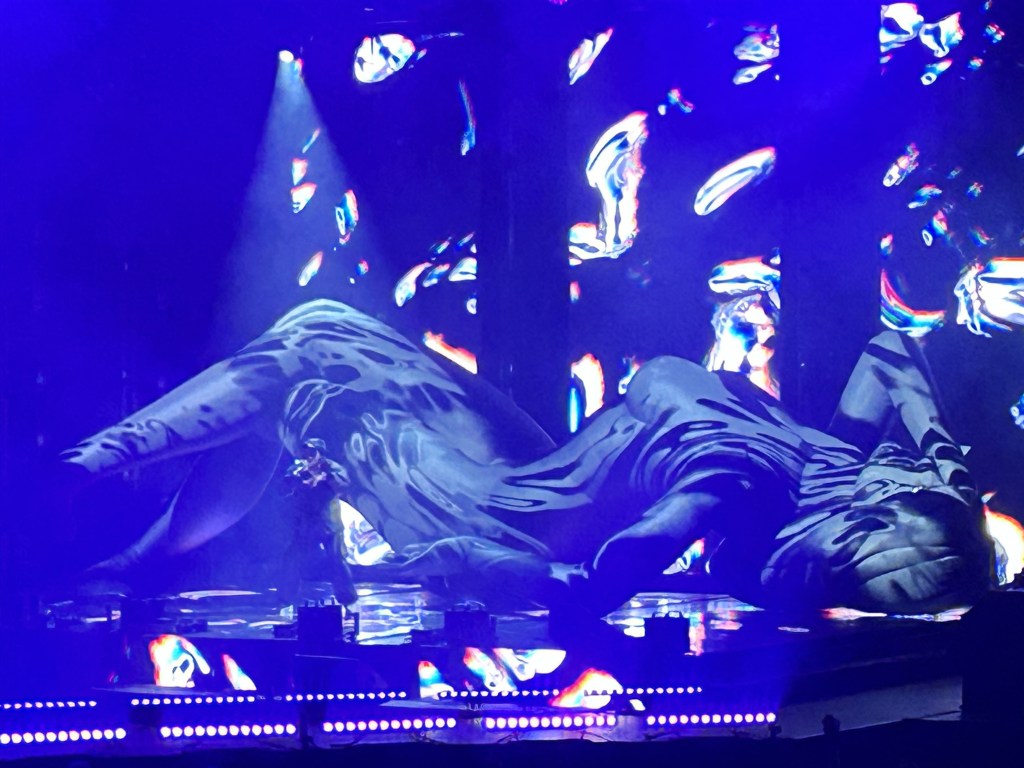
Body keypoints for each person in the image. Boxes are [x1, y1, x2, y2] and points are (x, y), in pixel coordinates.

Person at [57, 300, 994, 617]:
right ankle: (128, 540)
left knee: (314, 361)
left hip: (502, 512)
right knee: (319, 337)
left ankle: (74, 479)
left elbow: (615, 571)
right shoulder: (833, 463)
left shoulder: (737, 485)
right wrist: (944, 459)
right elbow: (891, 353)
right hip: (548, 469)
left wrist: (498, 567)